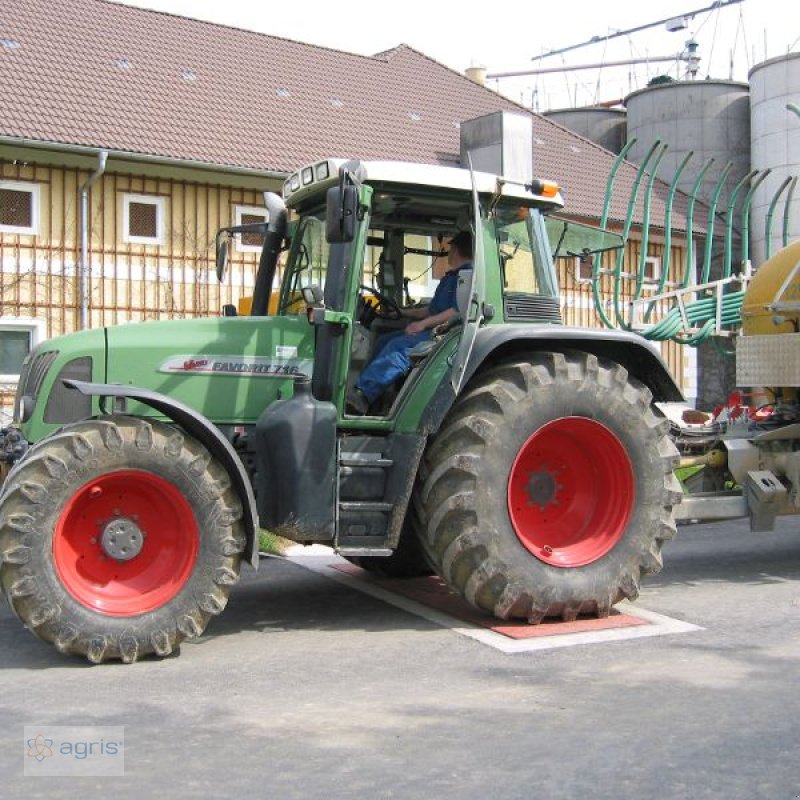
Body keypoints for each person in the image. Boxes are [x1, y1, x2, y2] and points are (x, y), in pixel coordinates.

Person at [346, 230, 474, 415]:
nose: (449, 252)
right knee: (382, 340)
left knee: (398, 347)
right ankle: (368, 396)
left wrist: (422, 325)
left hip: (443, 333)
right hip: (432, 329)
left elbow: (456, 310)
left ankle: (363, 395)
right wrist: (401, 312)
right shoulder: (451, 277)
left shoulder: (466, 276)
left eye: (451, 248)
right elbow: (430, 310)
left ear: (455, 250)